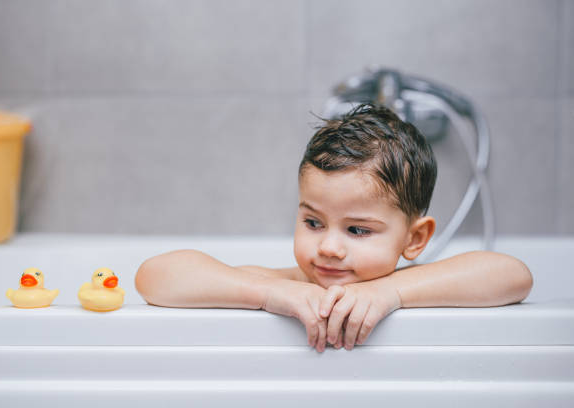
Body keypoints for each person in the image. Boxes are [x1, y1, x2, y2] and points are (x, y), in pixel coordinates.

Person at [134, 103, 533, 353]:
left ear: (414, 239)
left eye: (357, 230)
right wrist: (269, 293)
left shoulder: (409, 284)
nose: (328, 247)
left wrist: (389, 292)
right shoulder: (282, 284)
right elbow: (154, 277)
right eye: (313, 222)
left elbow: (514, 276)